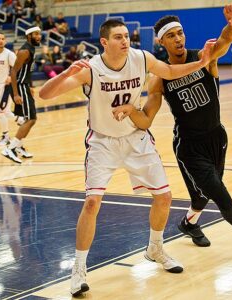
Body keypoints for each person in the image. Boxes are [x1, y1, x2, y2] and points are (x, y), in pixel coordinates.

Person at [39, 19, 214, 296]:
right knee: (92, 202)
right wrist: (65, 74)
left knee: (165, 196)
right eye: (118, 37)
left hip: (136, 139)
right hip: (103, 143)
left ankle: (155, 248)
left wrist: (201, 62)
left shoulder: (141, 58)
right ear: (104, 42)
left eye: (126, 36)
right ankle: (79, 268)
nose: (125, 40)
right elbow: (44, 94)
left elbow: (169, 70)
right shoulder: (91, 70)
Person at [113, 5, 232, 248]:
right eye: (171, 35)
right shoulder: (159, 78)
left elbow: (225, 40)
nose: (178, 38)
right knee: (221, 197)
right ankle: (190, 223)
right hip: (190, 147)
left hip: (217, 137)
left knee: (204, 195)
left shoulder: (204, 57)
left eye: (180, 33)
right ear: (161, 42)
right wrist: (131, 110)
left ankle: (189, 223)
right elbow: (147, 118)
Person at [1, 26, 41, 164]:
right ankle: (10, 148)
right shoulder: (24, 51)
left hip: (24, 86)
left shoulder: (31, 48)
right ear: (29, 36)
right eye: (36, 34)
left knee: (27, 120)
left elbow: (26, 71)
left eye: (39, 34)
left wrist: (29, 86)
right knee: (31, 119)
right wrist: (16, 94)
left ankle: (17, 146)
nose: (39, 36)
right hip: (19, 87)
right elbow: (13, 72)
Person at [0, 31, 16, 146]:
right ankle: (22, 120)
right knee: (6, 112)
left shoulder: (9, 54)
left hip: (3, 86)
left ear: (5, 41)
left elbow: (18, 68)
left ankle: (6, 136)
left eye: (3, 39)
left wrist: (10, 76)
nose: (1, 41)